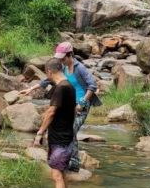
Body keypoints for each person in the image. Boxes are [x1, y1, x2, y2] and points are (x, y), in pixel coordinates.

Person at [22, 41, 100, 172]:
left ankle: (74, 162)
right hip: (68, 105)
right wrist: (31, 89)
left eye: (63, 58)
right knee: (63, 130)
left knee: (72, 130)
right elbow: (49, 79)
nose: (61, 60)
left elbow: (92, 85)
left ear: (70, 55)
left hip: (81, 106)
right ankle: (63, 157)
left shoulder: (79, 68)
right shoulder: (62, 68)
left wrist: (82, 103)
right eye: (59, 58)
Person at [33, 58, 76, 188]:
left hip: (60, 138)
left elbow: (51, 112)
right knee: (61, 173)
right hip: (66, 135)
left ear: (49, 71)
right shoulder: (69, 85)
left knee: (56, 175)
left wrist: (40, 133)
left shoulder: (60, 88)